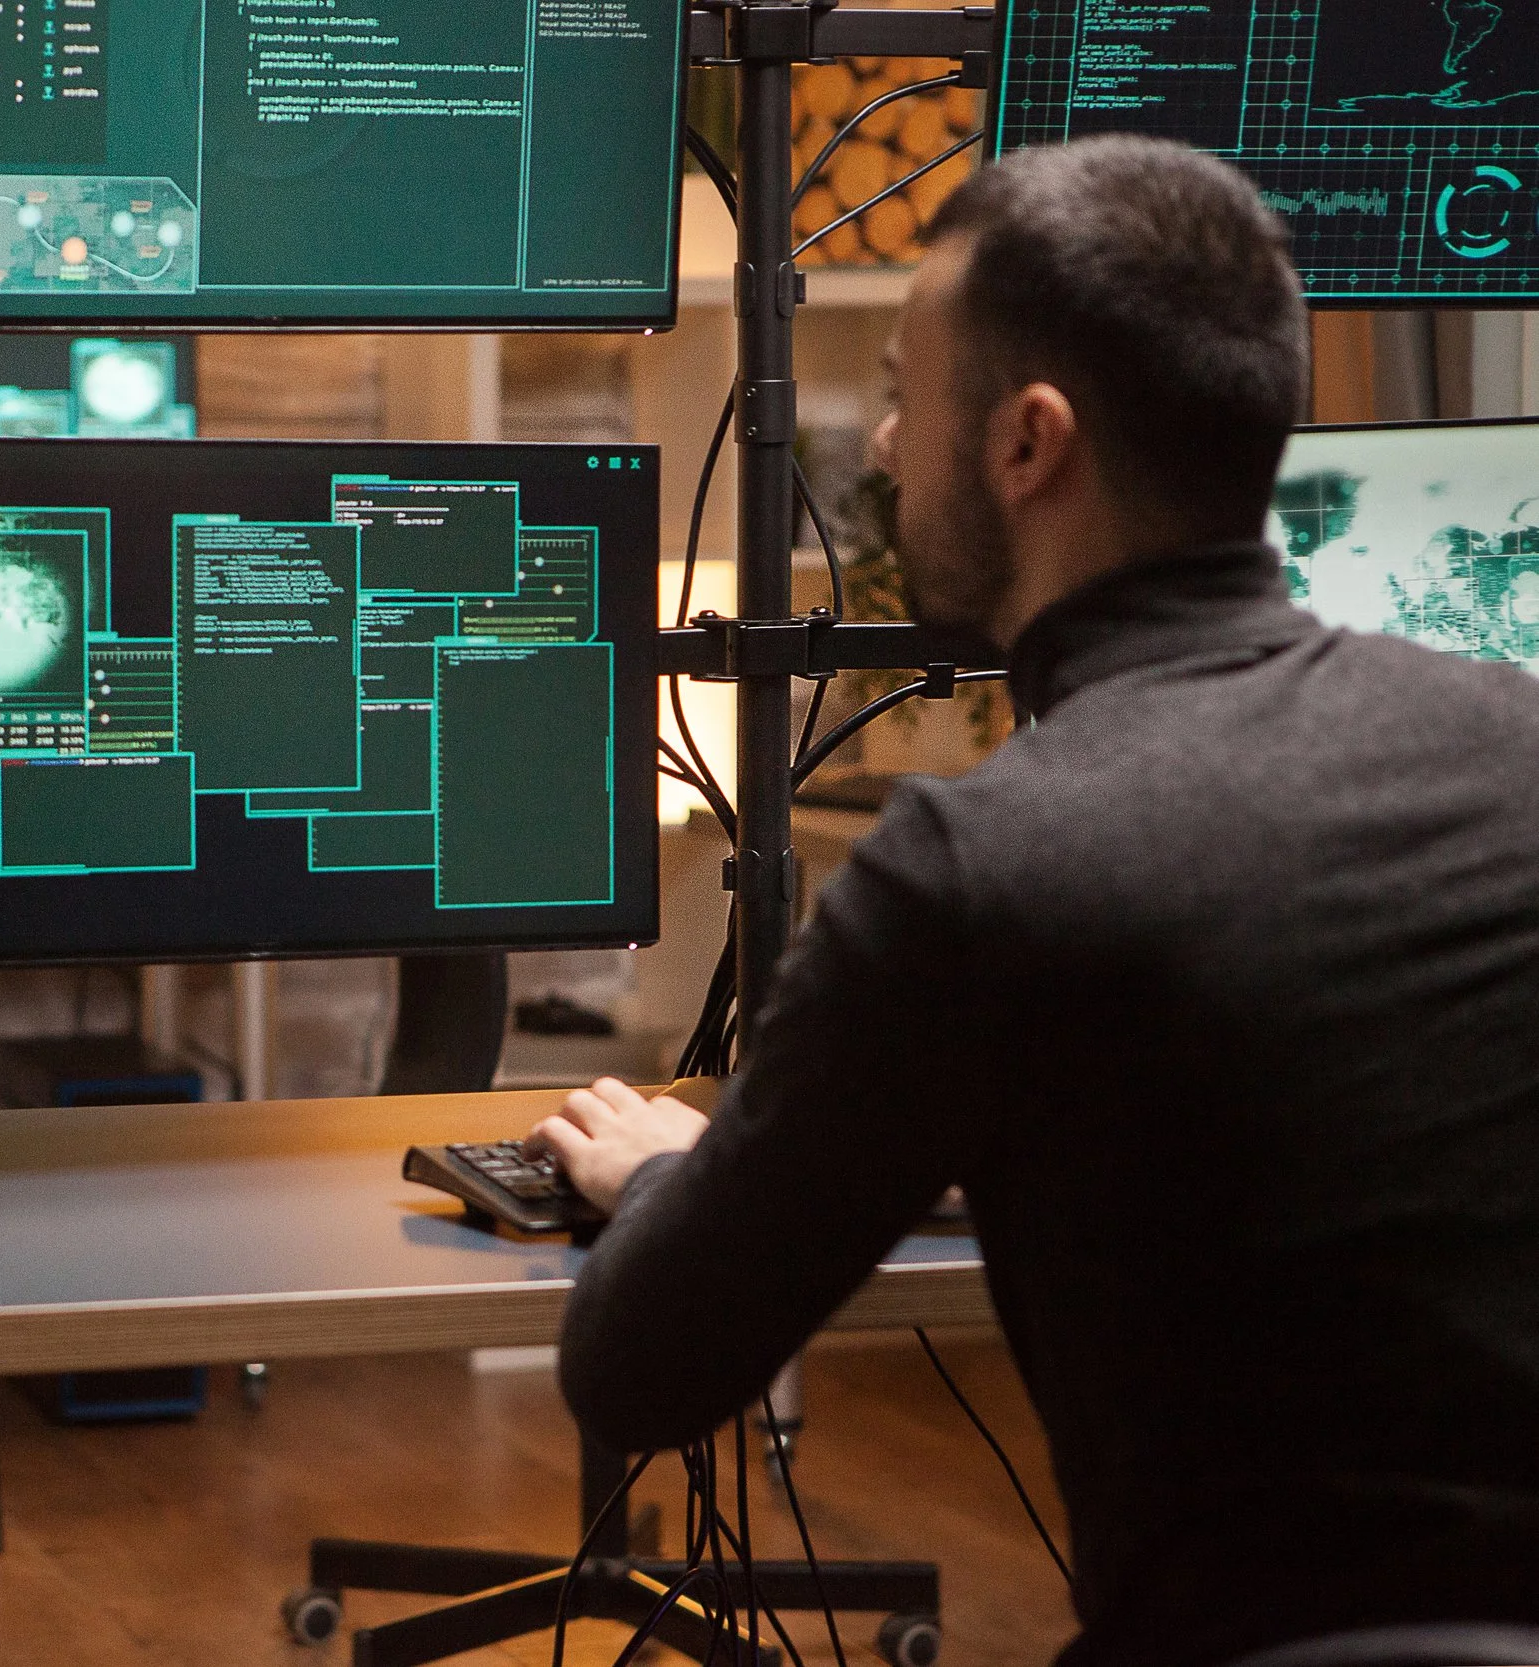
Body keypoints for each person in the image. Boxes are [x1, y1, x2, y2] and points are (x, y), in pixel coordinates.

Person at [529, 135, 1539, 1666]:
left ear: (1028, 441)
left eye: (900, 393)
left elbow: (640, 1368)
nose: (876, 448)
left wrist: (680, 1172)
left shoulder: (981, 870)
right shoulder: (1515, 745)